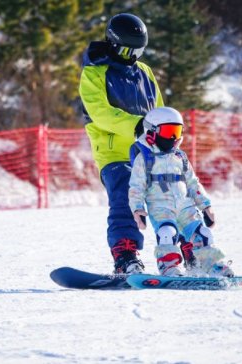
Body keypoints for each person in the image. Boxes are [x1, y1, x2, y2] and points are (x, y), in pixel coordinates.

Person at [79, 13, 164, 274]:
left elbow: (158, 109)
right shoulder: (94, 73)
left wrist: (165, 133)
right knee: (126, 196)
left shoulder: (145, 72)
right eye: (128, 50)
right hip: (114, 153)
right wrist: (137, 125)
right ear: (114, 44)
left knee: (172, 196)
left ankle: (187, 251)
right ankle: (126, 256)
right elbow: (100, 113)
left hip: (147, 151)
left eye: (138, 50)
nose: (133, 56)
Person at [128, 106, 234, 277]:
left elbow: (193, 183)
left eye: (177, 132)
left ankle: (211, 265)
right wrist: (138, 209)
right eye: (169, 131)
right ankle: (169, 267)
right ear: (152, 132)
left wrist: (206, 206)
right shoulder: (144, 158)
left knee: (203, 233)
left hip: (186, 207)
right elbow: (136, 187)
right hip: (161, 209)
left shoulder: (180, 157)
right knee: (166, 233)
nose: (173, 138)